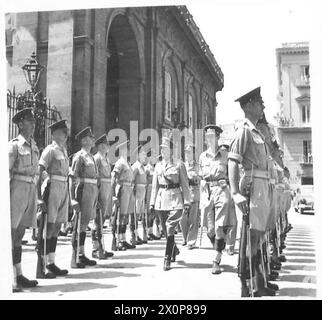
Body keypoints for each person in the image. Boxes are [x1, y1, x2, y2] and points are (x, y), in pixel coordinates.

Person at [228, 87, 276, 296]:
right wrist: (235, 192)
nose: (262, 106)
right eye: (258, 102)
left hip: (263, 187)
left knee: (259, 237)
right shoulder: (244, 131)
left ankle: (259, 282)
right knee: (251, 237)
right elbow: (232, 161)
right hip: (253, 187)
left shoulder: (257, 132)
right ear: (248, 106)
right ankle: (247, 285)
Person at [199, 125, 236, 274]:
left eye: (212, 136)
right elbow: (201, 174)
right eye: (207, 137)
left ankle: (217, 258)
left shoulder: (225, 155)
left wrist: (233, 191)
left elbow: (233, 174)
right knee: (210, 229)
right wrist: (201, 180)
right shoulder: (202, 156)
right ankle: (219, 245)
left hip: (222, 190)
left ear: (218, 138)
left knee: (220, 226)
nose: (209, 139)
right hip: (208, 192)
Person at [149, 136, 191, 271]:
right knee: (165, 230)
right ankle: (174, 249)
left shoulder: (179, 164)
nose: (162, 151)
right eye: (161, 149)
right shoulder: (158, 165)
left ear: (171, 150)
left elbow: (185, 185)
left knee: (170, 228)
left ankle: (167, 258)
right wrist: (151, 202)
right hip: (161, 200)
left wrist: (187, 201)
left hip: (175, 200)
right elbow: (154, 186)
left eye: (165, 148)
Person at [9, 108, 39, 291]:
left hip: (30, 190)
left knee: (20, 234)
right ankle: (9, 277)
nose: (33, 124)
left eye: (34, 120)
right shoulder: (13, 146)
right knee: (10, 235)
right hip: (17, 190)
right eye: (29, 120)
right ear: (20, 124)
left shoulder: (34, 145)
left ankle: (18, 274)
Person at [37, 119, 69, 277]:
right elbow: (40, 170)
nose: (66, 135)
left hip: (63, 188)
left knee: (56, 226)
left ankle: (51, 262)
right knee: (49, 226)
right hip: (53, 188)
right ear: (55, 134)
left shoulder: (63, 150)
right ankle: (42, 263)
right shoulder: (50, 150)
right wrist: (39, 197)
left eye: (65, 132)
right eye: (63, 132)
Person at [69, 126, 98, 268]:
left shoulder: (91, 156)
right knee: (79, 224)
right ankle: (76, 256)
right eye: (91, 138)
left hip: (91, 191)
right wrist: (73, 198)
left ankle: (81, 254)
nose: (93, 140)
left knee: (85, 224)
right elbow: (73, 177)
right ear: (85, 141)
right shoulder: (79, 156)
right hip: (83, 190)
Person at [91, 134, 114, 259]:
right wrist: (96, 196)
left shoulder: (105, 159)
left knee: (103, 219)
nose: (108, 147)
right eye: (105, 145)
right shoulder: (97, 158)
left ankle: (102, 247)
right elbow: (96, 178)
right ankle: (96, 248)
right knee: (97, 221)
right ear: (100, 146)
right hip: (100, 190)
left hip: (106, 189)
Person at [111, 140, 135, 251]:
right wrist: (113, 194)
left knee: (125, 216)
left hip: (129, 189)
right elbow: (114, 178)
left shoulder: (127, 162)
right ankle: (119, 240)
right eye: (127, 148)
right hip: (123, 189)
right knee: (121, 215)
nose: (129, 150)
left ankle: (123, 239)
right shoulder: (120, 162)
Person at [180, 144, 200, 249]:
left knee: (193, 219)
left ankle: (191, 241)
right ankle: (184, 237)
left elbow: (200, 178)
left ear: (193, 154)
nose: (187, 154)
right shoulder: (182, 165)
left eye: (189, 152)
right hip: (184, 194)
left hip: (194, 193)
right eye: (186, 152)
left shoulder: (197, 166)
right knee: (182, 218)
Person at [129, 145, 148, 245]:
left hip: (142, 193)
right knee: (134, 216)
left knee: (139, 215)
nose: (145, 156)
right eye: (143, 154)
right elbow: (131, 181)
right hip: (136, 194)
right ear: (137, 155)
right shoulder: (135, 167)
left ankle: (137, 235)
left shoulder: (142, 167)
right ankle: (133, 235)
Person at [145, 151, 161, 240]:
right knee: (149, 213)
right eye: (153, 157)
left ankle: (152, 231)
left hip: (155, 191)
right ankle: (148, 232)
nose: (155, 159)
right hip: (149, 191)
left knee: (154, 213)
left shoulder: (155, 168)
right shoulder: (147, 168)